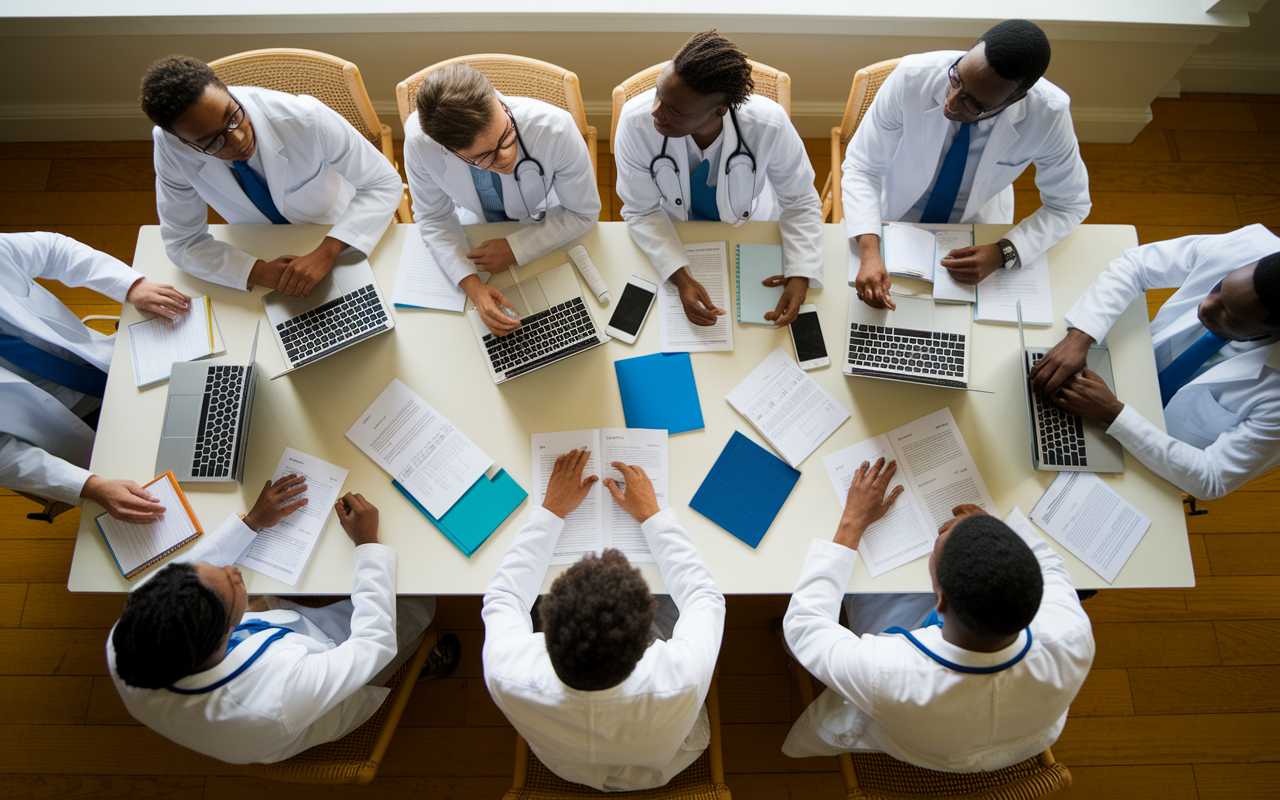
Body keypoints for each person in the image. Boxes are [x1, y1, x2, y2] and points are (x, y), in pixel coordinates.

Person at [108, 479, 456, 764]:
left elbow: (183, 572)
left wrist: (251, 523)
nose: (232, 570)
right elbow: (372, 644)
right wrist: (367, 544)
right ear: (228, 634)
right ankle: (417, 657)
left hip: (271, 660)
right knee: (416, 602)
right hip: (307, 709)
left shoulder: (133, 633)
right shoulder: (275, 697)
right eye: (234, 585)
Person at [782, 458, 1094, 771]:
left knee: (859, 594)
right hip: (1020, 740)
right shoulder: (1071, 632)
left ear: (939, 602)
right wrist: (992, 534)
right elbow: (1050, 565)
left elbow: (805, 628)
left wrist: (853, 520)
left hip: (917, 745)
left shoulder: (891, 673)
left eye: (937, 549)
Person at [482, 450, 725, 790]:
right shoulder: (684, 674)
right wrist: (652, 516)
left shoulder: (505, 670)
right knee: (672, 597)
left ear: (546, 626)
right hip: (661, 760)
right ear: (647, 642)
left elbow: (504, 596)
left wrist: (551, 510)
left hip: (565, 764)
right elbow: (704, 596)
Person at [844, 19, 1090, 309]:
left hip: (974, 227)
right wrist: (870, 250)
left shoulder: (1048, 114)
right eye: (956, 79)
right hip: (889, 215)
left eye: (973, 103)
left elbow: (1070, 204)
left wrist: (1004, 252)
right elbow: (863, 166)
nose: (950, 102)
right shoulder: (913, 76)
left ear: (1015, 99)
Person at [1031, 224, 1280, 501]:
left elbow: (1213, 478)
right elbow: (1135, 265)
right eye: (1218, 288)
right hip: (1122, 371)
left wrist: (1112, 413)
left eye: (1229, 318)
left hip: (1153, 451)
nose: (1206, 307)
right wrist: (1080, 335)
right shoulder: (1248, 246)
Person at [140, 55, 403, 295]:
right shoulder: (170, 147)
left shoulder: (305, 118)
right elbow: (183, 241)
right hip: (256, 247)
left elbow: (383, 183)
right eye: (213, 142)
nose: (238, 139)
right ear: (183, 141)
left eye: (233, 116)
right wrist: (258, 272)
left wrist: (327, 252)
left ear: (227, 90)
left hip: (342, 231)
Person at [614, 30, 823, 327]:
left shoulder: (768, 124)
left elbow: (800, 202)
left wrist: (800, 273)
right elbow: (640, 209)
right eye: (658, 93)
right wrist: (680, 278)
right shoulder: (636, 123)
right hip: (676, 233)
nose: (655, 111)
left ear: (719, 111)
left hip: (749, 231)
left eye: (674, 109)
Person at [0, 231, 192, 522]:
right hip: (73, 427)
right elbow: (5, 456)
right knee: (182, 491)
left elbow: (53, 250)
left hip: (105, 363)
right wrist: (90, 486)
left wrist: (131, 285)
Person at [405, 63, 601, 337]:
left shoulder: (555, 128)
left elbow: (584, 212)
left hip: (548, 227)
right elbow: (434, 217)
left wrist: (515, 249)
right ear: (450, 150)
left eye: (507, 134)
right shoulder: (420, 142)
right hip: (475, 235)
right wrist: (474, 288)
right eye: (483, 157)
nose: (506, 156)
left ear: (498, 101)